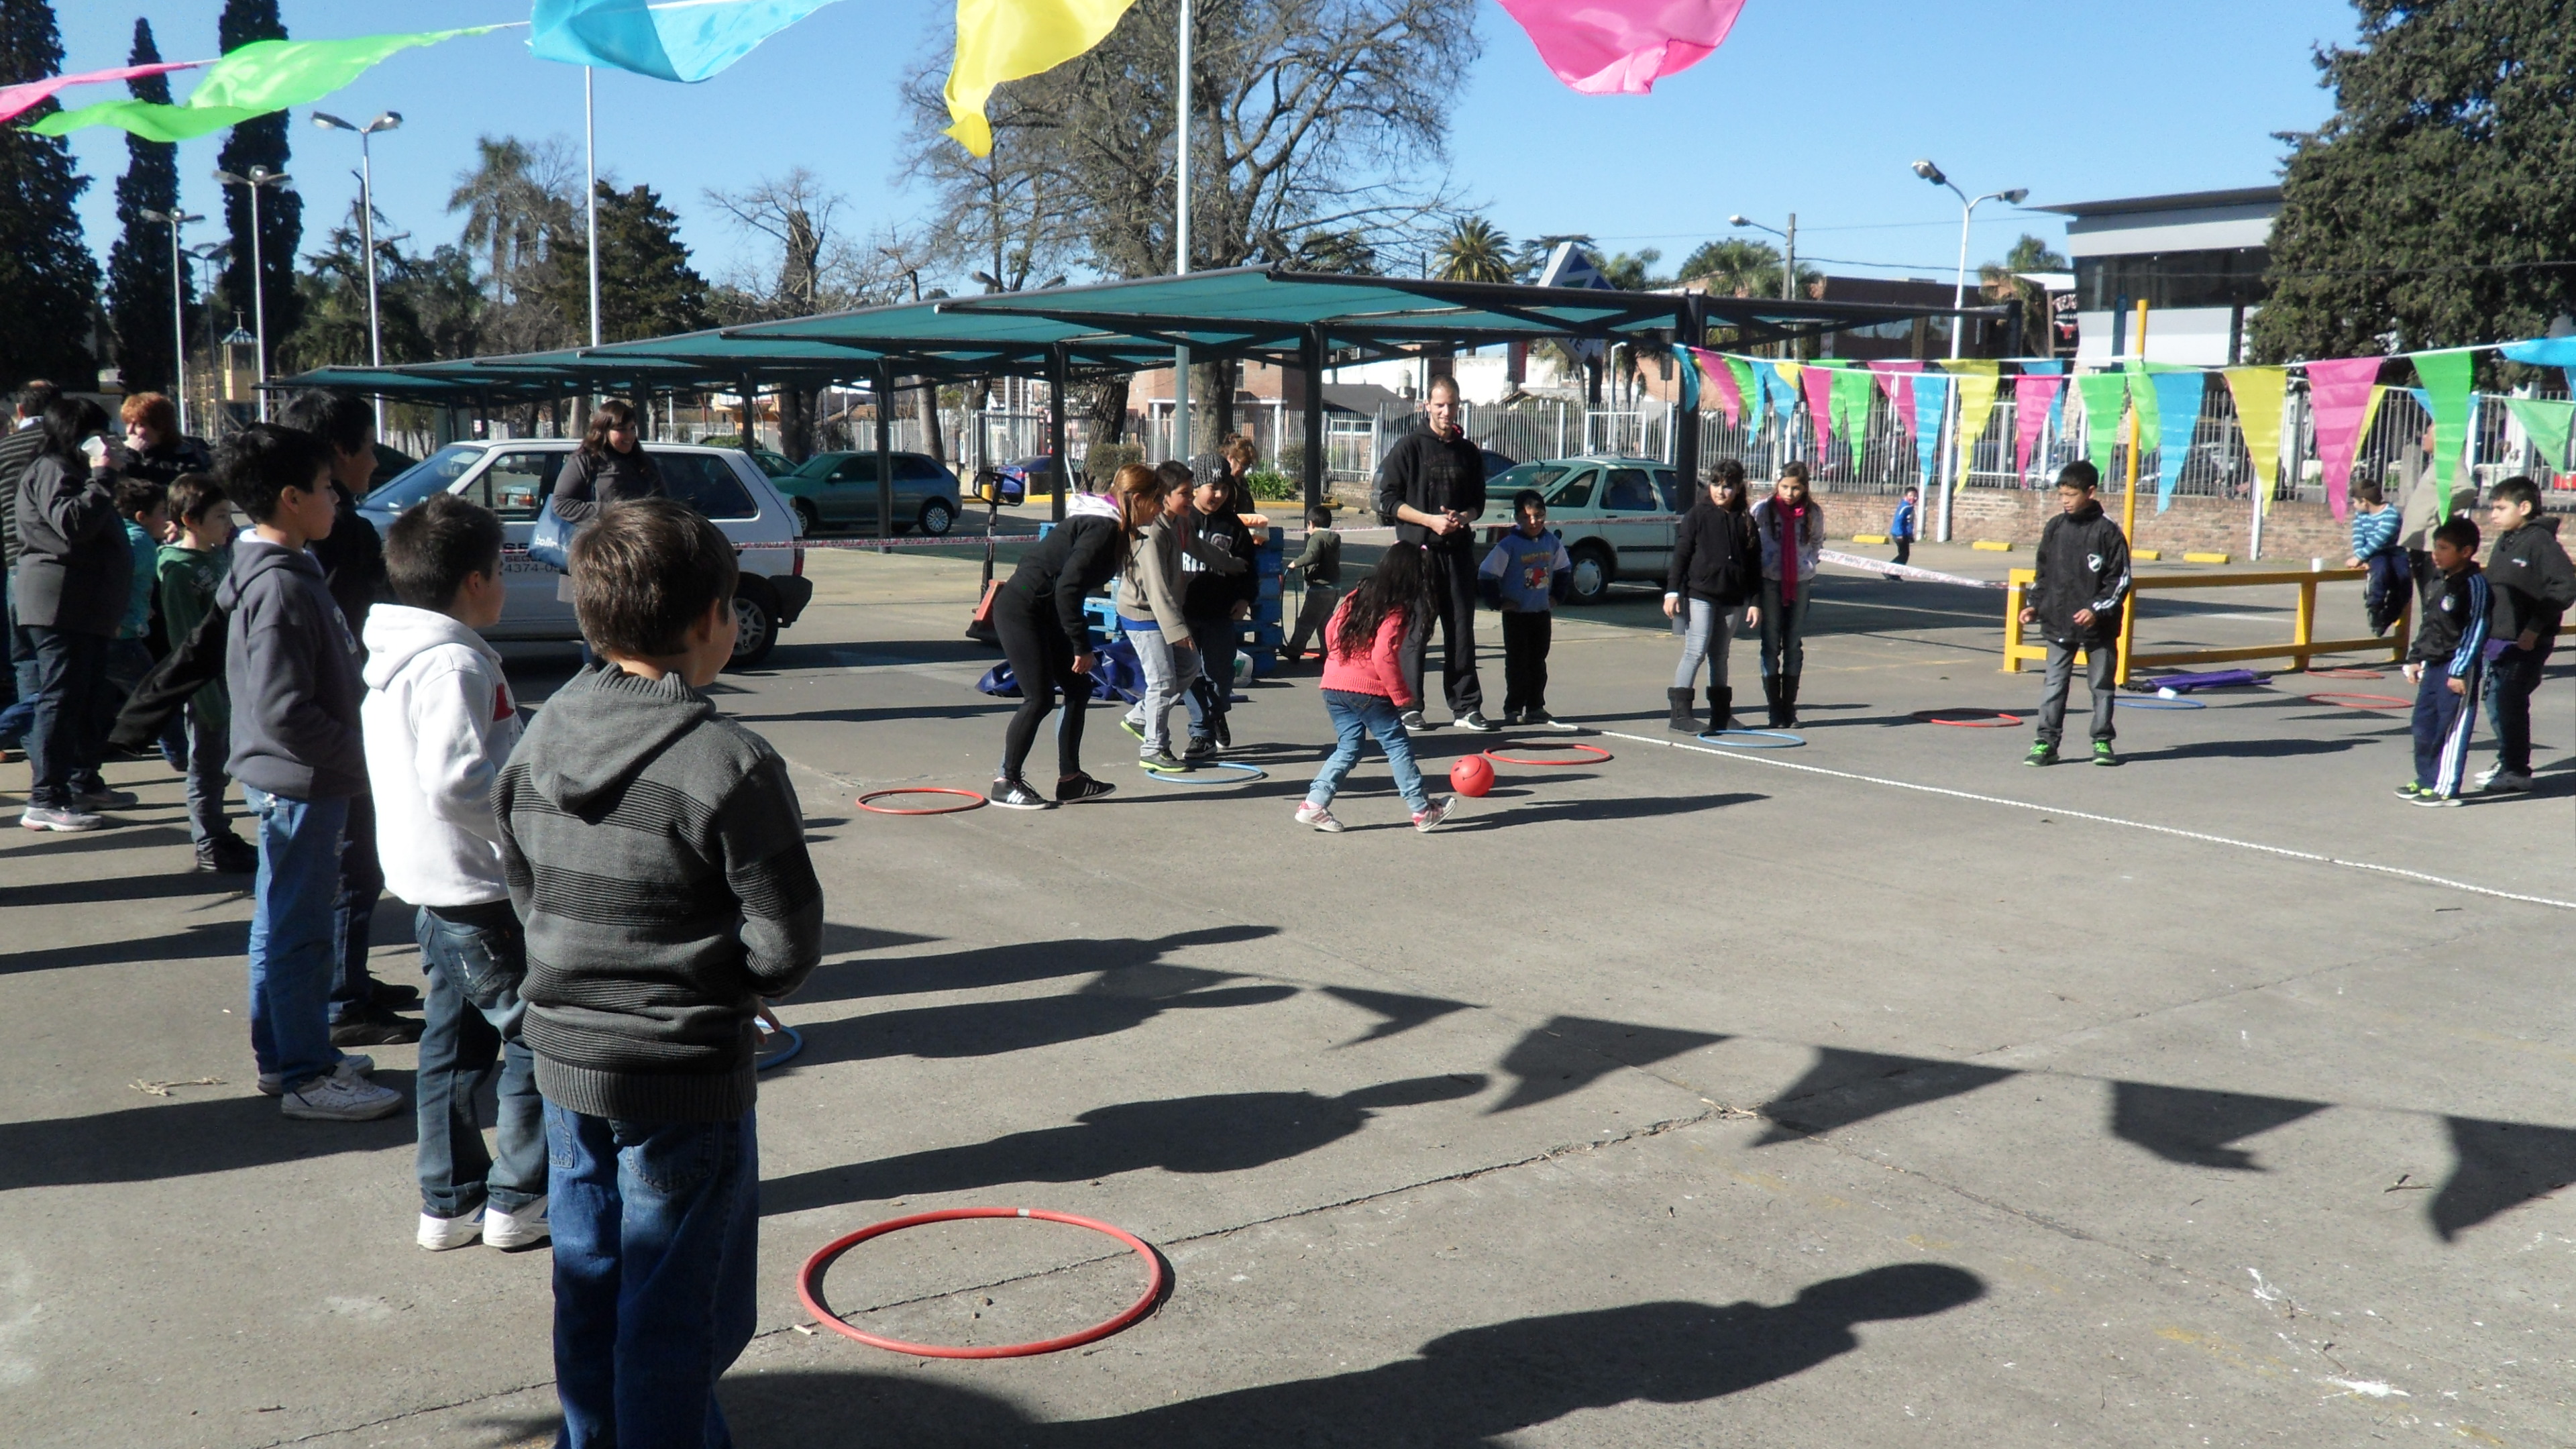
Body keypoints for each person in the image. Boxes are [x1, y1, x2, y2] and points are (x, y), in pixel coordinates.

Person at [492, 496, 822, 1445]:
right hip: (684, 1076)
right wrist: (742, 985)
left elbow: (523, 884)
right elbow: (787, 939)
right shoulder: (731, 761)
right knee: (680, 1318)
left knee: (592, 1282)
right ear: (711, 620)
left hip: (563, 1057)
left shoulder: (544, 730)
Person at [363, 491, 550, 1254]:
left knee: (452, 1050)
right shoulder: (452, 662)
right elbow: (456, 780)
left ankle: (448, 1203)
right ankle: (519, 1197)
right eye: (502, 567)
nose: (507, 581)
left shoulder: (402, 651)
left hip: (435, 890)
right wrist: (523, 838)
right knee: (540, 1039)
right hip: (479, 891)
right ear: (475, 580)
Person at [216, 423, 404, 1121]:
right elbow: (285, 711)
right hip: (300, 785)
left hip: (298, 781)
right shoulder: (283, 589)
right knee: (299, 931)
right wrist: (369, 756)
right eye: (327, 488)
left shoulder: (287, 570)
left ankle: (286, 1053)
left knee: (283, 924)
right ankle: (304, 1073)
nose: (337, 499)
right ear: (291, 499)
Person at [279, 388, 417, 1046]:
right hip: (337, 730)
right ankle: (341, 997)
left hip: (332, 725)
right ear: (340, 453)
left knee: (357, 862)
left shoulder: (318, 529)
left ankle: (350, 977)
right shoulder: (332, 535)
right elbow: (342, 634)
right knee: (352, 864)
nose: (374, 460)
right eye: (367, 447)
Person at [988, 463, 1162, 808]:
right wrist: (1081, 647)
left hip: (1044, 611)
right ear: (1138, 499)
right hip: (1021, 609)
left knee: (1078, 688)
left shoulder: (1111, 527)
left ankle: (1071, 780)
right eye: (1157, 500)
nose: (1160, 509)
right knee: (1038, 698)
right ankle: (1005, 781)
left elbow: (1065, 592)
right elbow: (1068, 588)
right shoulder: (1102, 529)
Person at [13, 398, 132, 831]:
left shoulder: (70, 470)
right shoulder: (53, 468)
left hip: (84, 605)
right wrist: (102, 476)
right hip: (60, 602)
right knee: (60, 699)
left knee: (84, 698)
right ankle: (46, 796)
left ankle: (81, 780)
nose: (109, 440)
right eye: (102, 432)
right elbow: (74, 524)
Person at [1296, 540, 1454, 833]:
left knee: (1349, 747)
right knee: (1397, 746)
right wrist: (1402, 696)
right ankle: (1421, 809)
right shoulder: (1397, 609)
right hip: (1367, 689)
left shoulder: (1360, 594)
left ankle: (1314, 804)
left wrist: (1340, 662)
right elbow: (1384, 654)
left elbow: (1331, 628)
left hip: (1333, 684)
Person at [1374, 375, 1494, 732]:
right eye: (1439, 404)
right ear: (1427, 406)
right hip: (1417, 555)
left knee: (1460, 629)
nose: (1446, 411)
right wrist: (1429, 520)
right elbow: (1388, 501)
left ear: (1459, 406)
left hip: (1457, 554)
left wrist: (1462, 518)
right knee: (1415, 630)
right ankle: (1408, 705)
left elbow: (1478, 505)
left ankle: (1466, 707)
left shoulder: (1468, 451)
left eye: (1452, 405)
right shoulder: (1410, 447)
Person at [1118, 464, 1243, 772]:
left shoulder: (1180, 523)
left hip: (1163, 612)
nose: (1190, 499)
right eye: (1184, 494)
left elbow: (1199, 548)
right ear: (1164, 496)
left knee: (1188, 667)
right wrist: (1177, 630)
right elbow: (1158, 589)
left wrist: (1231, 564)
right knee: (1161, 681)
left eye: (1190, 492)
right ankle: (1153, 748)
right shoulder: (1153, 532)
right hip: (1144, 615)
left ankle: (1140, 716)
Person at [158, 473, 254, 872]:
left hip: (232, 678)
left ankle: (219, 831)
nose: (228, 523)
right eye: (219, 516)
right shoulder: (179, 570)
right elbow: (185, 638)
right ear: (190, 521)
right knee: (205, 767)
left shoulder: (219, 553)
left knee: (221, 766)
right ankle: (209, 842)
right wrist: (207, 699)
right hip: (207, 686)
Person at [2020, 461, 2131, 768]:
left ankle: (2102, 740)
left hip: (2099, 627)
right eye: (2062, 495)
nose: (2065, 500)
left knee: (2101, 685)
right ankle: (2046, 741)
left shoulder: (2108, 532)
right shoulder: (2055, 527)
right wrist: (2034, 605)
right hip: (2058, 620)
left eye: (2071, 494)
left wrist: (2096, 609)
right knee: (2054, 684)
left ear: (2090, 492)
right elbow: (2043, 574)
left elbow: (2120, 580)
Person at [2473, 476, 2575, 794]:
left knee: (2510, 701)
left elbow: (2564, 587)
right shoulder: (2508, 540)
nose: (2494, 514)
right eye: (2493, 508)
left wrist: (2534, 628)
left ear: (2525, 507)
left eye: (2501, 508)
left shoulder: (2540, 542)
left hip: (2526, 640)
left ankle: (2517, 769)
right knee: (2494, 699)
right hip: (2498, 638)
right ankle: (2507, 759)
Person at [1664, 460, 1761, 733]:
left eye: (1729, 486)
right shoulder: (1698, 515)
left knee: (1720, 654)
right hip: (1701, 594)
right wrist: (1672, 591)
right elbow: (1682, 555)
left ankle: (1721, 714)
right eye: (1716, 484)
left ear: (1739, 488)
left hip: (1732, 598)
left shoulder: (1746, 520)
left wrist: (1755, 601)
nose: (1721, 491)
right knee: (1696, 650)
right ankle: (1680, 714)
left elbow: (1755, 565)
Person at [2399, 516, 2489, 806]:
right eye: (2435, 547)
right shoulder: (2438, 581)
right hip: (2434, 664)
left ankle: (2446, 786)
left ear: (2465, 552)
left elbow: (2476, 630)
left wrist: (2460, 670)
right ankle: (2426, 778)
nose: (2436, 554)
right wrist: (2415, 658)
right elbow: (2430, 625)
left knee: (2450, 726)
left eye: (2443, 548)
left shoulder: (2474, 585)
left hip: (2456, 667)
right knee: (2424, 724)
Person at [1180, 458, 1260, 756]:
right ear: (1194, 488)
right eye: (1212, 488)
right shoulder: (1181, 520)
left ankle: (1216, 713)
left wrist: (1244, 599)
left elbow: (1249, 568)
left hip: (1220, 613)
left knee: (1220, 674)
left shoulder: (1233, 525)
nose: (1218, 495)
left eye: (1224, 488)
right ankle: (1200, 732)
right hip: (1184, 613)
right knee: (1189, 673)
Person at [1, 380, 64, 753]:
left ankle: (36, 751)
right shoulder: (61, 448)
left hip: (14, 562)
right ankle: (59, 760)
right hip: (55, 566)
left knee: (26, 661)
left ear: (20, 411)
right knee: (60, 668)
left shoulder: (4, 449)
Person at [1477, 488, 1572, 725]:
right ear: (1517, 518)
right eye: (1527, 517)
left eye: (1539, 515)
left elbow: (1564, 569)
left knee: (1538, 661)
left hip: (1541, 612)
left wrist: (1557, 597)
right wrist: (1498, 602)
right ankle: (1513, 707)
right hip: (1516, 614)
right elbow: (1487, 573)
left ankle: (1535, 706)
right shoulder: (1509, 545)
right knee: (1517, 662)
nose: (1534, 521)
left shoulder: (1552, 542)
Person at [97, 475, 173, 758]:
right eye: (163, 512)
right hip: (123, 635)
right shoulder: (140, 541)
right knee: (155, 697)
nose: (167, 518)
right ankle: (180, 753)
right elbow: (116, 580)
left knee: (69, 697)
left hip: (110, 630)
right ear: (142, 516)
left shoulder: (122, 535)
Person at [1750, 462, 1824, 728]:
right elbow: (1750, 541)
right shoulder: (1762, 510)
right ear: (1777, 486)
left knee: (1793, 643)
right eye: (1784, 487)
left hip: (1800, 581)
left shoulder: (1812, 513)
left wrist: (1807, 565)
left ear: (1804, 488)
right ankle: (1774, 709)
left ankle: (1788, 707)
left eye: (1795, 488)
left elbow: (1816, 543)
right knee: (1771, 643)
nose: (1790, 493)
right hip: (1769, 580)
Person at [2393, 420, 2445, 612]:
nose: (2424, 437)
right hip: (2419, 544)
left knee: (2433, 599)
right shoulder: (2436, 464)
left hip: (2430, 544)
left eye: (2428, 433)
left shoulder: (2448, 465)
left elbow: (2465, 490)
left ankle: (2433, 637)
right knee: (2426, 598)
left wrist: (2439, 517)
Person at [2345, 477, 2408, 637]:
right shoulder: (2361, 517)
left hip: (2394, 551)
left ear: (2365, 502)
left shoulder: (2391, 515)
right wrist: (2362, 558)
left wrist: (2360, 557)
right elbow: (2358, 538)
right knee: (2380, 571)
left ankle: (2389, 615)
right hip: (2376, 555)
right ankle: (2374, 607)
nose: (2354, 506)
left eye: (2355, 502)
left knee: (2403, 578)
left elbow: (2380, 539)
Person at [1283, 504, 1343, 663]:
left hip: (1320, 588)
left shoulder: (1316, 538)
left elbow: (1311, 556)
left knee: (1306, 621)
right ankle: (1327, 652)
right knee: (1325, 623)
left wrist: (1294, 564)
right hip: (1334, 588)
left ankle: (1295, 650)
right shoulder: (1334, 538)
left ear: (1311, 524)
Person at [114, 391, 213, 487]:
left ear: (161, 427)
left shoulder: (188, 459)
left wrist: (133, 459)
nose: (130, 431)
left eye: (140, 425)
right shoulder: (119, 457)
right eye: (127, 424)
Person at [1888, 485, 1919, 572]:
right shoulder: (1905, 507)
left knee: (1904, 554)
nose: (1913, 498)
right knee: (1904, 555)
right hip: (1900, 534)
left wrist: (1910, 535)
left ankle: (1894, 573)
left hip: (1905, 534)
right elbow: (1898, 521)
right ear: (1906, 496)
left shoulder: (1909, 507)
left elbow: (1909, 523)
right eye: (1911, 496)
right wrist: (1900, 534)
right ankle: (1890, 570)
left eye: (1915, 496)